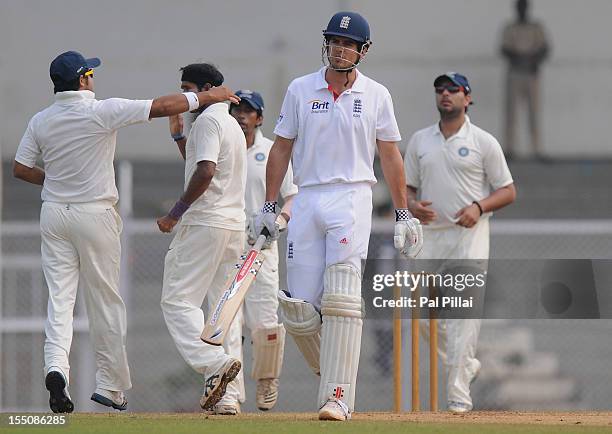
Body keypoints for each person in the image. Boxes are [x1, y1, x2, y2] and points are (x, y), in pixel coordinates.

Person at [12, 51, 238, 413]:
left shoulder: (41, 120)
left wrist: (54, 181)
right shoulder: (100, 110)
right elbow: (163, 106)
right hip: (94, 214)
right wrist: (210, 96)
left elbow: (21, 169)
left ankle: (56, 368)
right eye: (91, 73)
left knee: (60, 300)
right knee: (105, 303)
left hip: (53, 214)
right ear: (84, 79)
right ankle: (111, 385)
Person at [254, 11, 423, 421]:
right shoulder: (300, 89)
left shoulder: (377, 94)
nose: (339, 48)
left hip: (352, 196)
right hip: (308, 196)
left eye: (348, 43)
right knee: (297, 308)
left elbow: (390, 156)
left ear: (363, 50)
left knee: (343, 297)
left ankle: (338, 397)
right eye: (334, 41)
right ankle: (333, 370)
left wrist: (403, 213)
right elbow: (280, 149)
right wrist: (270, 205)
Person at [403, 72, 516, 413]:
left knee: (462, 315)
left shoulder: (483, 142)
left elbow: (508, 190)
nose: (445, 94)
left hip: (469, 236)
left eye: (453, 90)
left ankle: (458, 395)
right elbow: (407, 188)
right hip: (431, 238)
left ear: (468, 98)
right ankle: (465, 365)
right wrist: (410, 205)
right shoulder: (420, 141)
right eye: (440, 90)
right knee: (425, 320)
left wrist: (479, 207)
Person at [158, 63, 247, 412]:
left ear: (207, 88)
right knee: (221, 314)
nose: (184, 96)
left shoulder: (209, 120)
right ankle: (229, 397)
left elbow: (206, 171)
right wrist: (180, 137)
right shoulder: (228, 123)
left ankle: (214, 364)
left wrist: (174, 213)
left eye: (188, 88)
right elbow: (200, 162)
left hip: (205, 225)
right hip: (231, 226)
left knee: (177, 302)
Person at [210, 89, 298, 415]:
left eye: (248, 111)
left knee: (264, 322)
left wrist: (280, 220)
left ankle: (267, 380)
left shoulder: (270, 151)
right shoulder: (222, 148)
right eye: (237, 111)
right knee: (228, 319)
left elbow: (292, 195)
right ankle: (229, 394)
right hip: (228, 244)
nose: (242, 116)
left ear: (259, 118)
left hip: (263, 246)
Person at [500, 0, 550, 160]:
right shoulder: (510, 28)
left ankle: (536, 150)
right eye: (519, 7)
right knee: (511, 112)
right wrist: (519, 58)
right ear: (516, 9)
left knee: (534, 112)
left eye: (524, 7)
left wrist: (533, 60)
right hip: (515, 73)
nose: (521, 10)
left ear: (527, 9)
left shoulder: (536, 28)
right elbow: (504, 49)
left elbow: (545, 49)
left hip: (532, 74)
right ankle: (510, 149)